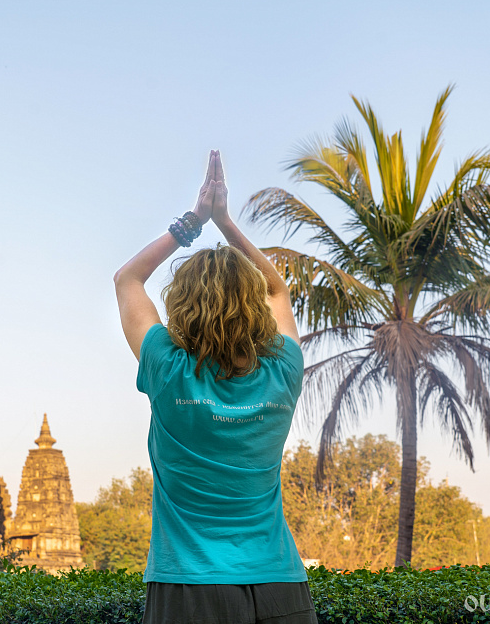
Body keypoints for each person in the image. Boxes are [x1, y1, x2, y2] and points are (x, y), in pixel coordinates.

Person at [113, 150, 318, 624]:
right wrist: (226, 223)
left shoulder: (169, 370)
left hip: (189, 589)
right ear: (253, 307)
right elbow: (277, 290)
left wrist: (196, 220)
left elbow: (127, 279)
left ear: (182, 306)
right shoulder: (282, 371)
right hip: (281, 590)